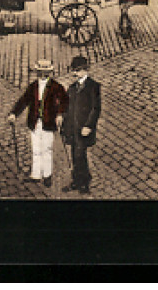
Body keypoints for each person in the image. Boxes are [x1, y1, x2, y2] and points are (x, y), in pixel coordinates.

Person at [8, 59, 67, 187]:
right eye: (40, 72)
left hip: (48, 122)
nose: (42, 74)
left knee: (46, 149)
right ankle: (35, 174)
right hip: (34, 122)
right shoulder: (33, 86)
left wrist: (60, 114)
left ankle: (47, 175)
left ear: (49, 72)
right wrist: (14, 113)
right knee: (35, 149)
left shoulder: (56, 87)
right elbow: (23, 100)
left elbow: (65, 101)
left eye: (45, 72)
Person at [61, 55, 102, 194]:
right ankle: (79, 179)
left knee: (80, 155)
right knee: (75, 154)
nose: (74, 73)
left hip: (84, 129)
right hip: (72, 127)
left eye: (77, 71)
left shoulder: (93, 86)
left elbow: (95, 109)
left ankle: (83, 183)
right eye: (74, 70)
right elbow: (67, 107)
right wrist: (62, 120)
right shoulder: (72, 87)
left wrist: (89, 126)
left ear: (85, 70)